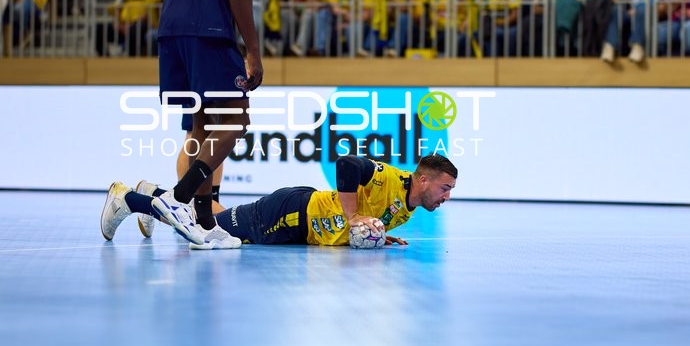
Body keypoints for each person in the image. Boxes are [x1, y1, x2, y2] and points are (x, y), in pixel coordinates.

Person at [100, 0, 269, 250]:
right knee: (236, 122)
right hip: (207, 29)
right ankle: (175, 200)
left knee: (202, 127)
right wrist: (253, 50)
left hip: (172, 28)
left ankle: (205, 223)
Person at [120, 154, 458, 247]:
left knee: (214, 220)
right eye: (445, 188)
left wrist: (377, 234)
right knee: (203, 228)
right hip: (291, 215)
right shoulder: (390, 177)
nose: (447, 196)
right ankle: (128, 199)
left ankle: (153, 193)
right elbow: (347, 165)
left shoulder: (409, 208)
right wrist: (353, 217)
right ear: (423, 179)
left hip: (299, 223)